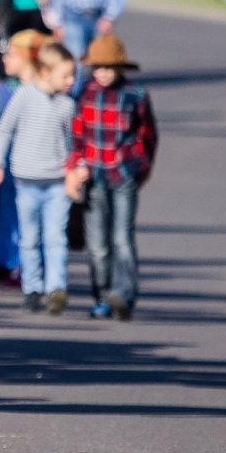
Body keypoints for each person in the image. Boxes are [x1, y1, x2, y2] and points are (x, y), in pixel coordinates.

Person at [66, 34, 158, 320]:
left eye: (109, 67)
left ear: (121, 67)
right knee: (98, 245)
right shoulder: (85, 94)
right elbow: (77, 136)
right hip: (93, 176)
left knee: (122, 237)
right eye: (98, 67)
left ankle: (124, 294)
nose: (103, 73)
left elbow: (148, 135)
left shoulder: (136, 95)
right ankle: (102, 295)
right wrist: (75, 166)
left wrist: (140, 167)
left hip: (123, 174)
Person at [0, 42, 77, 314]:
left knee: (56, 236)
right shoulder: (24, 95)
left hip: (57, 181)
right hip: (26, 181)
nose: (71, 81)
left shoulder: (67, 105)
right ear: (45, 72)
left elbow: (72, 143)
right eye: (66, 75)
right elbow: (4, 130)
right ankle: (32, 288)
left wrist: (73, 171)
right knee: (29, 237)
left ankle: (56, 288)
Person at [0, 29, 46, 280]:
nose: (5, 59)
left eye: (11, 54)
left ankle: (27, 265)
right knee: (9, 214)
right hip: (8, 162)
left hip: (34, 161)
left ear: (27, 58)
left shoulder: (37, 90)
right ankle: (10, 263)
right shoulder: (7, 89)